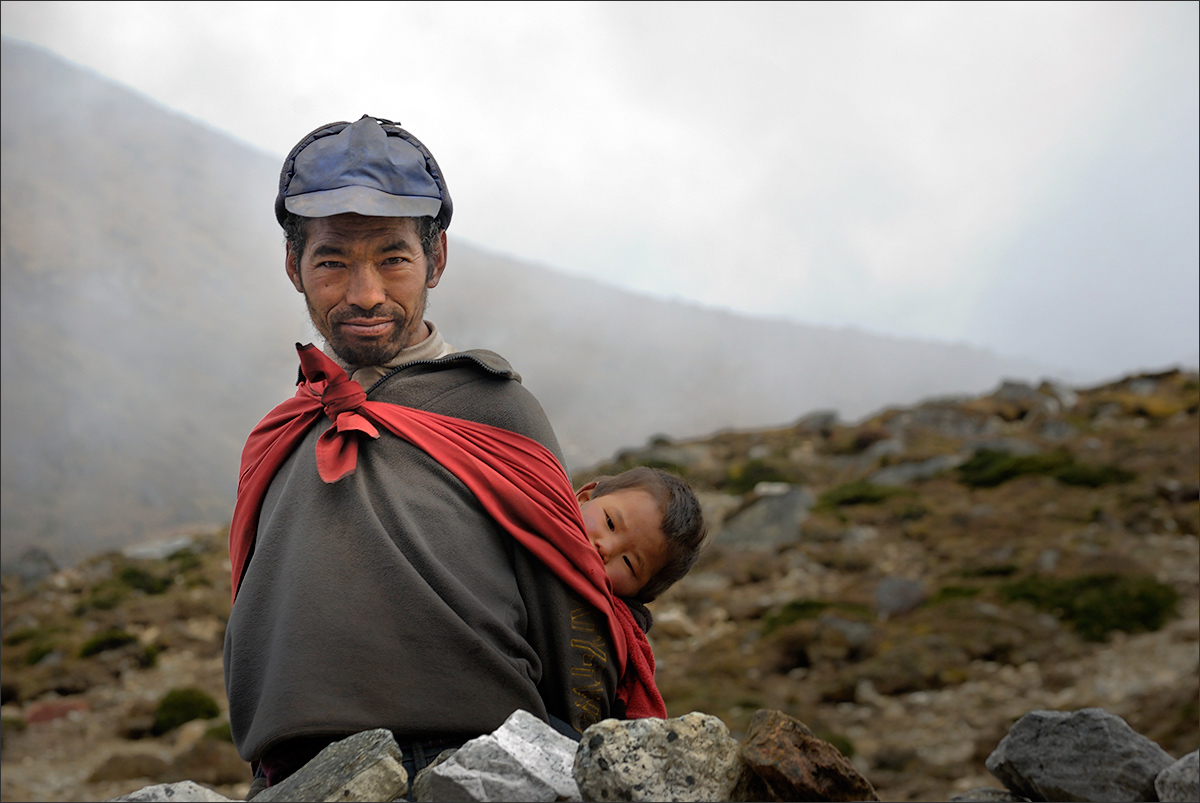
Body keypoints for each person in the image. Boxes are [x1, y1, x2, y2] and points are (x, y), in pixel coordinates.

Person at [223, 115, 649, 794]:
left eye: (393, 258)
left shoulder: (496, 411)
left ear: (437, 259)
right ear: (293, 266)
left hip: (469, 765)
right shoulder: (281, 436)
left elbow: (574, 617)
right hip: (292, 776)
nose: (365, 294)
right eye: (332, 260)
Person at [574, 466, 706, 625]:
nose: (606, 548)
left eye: (628, 562)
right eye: (610, 523)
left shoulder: (603, 630)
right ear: (584, 498)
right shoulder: (538, 506)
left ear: (642, 595)